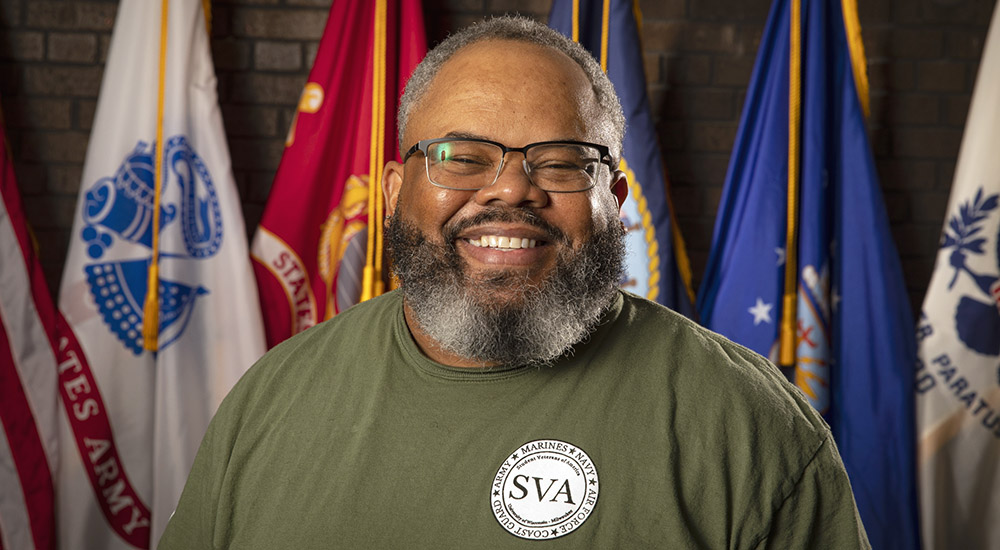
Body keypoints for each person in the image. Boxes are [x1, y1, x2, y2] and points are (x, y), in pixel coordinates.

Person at [158, 16, 870, 549]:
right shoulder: (272, 401)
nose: (509, 190)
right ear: (393, 191)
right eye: (462, 157)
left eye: (561, 161)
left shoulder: (748, 425)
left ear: (614, 201)